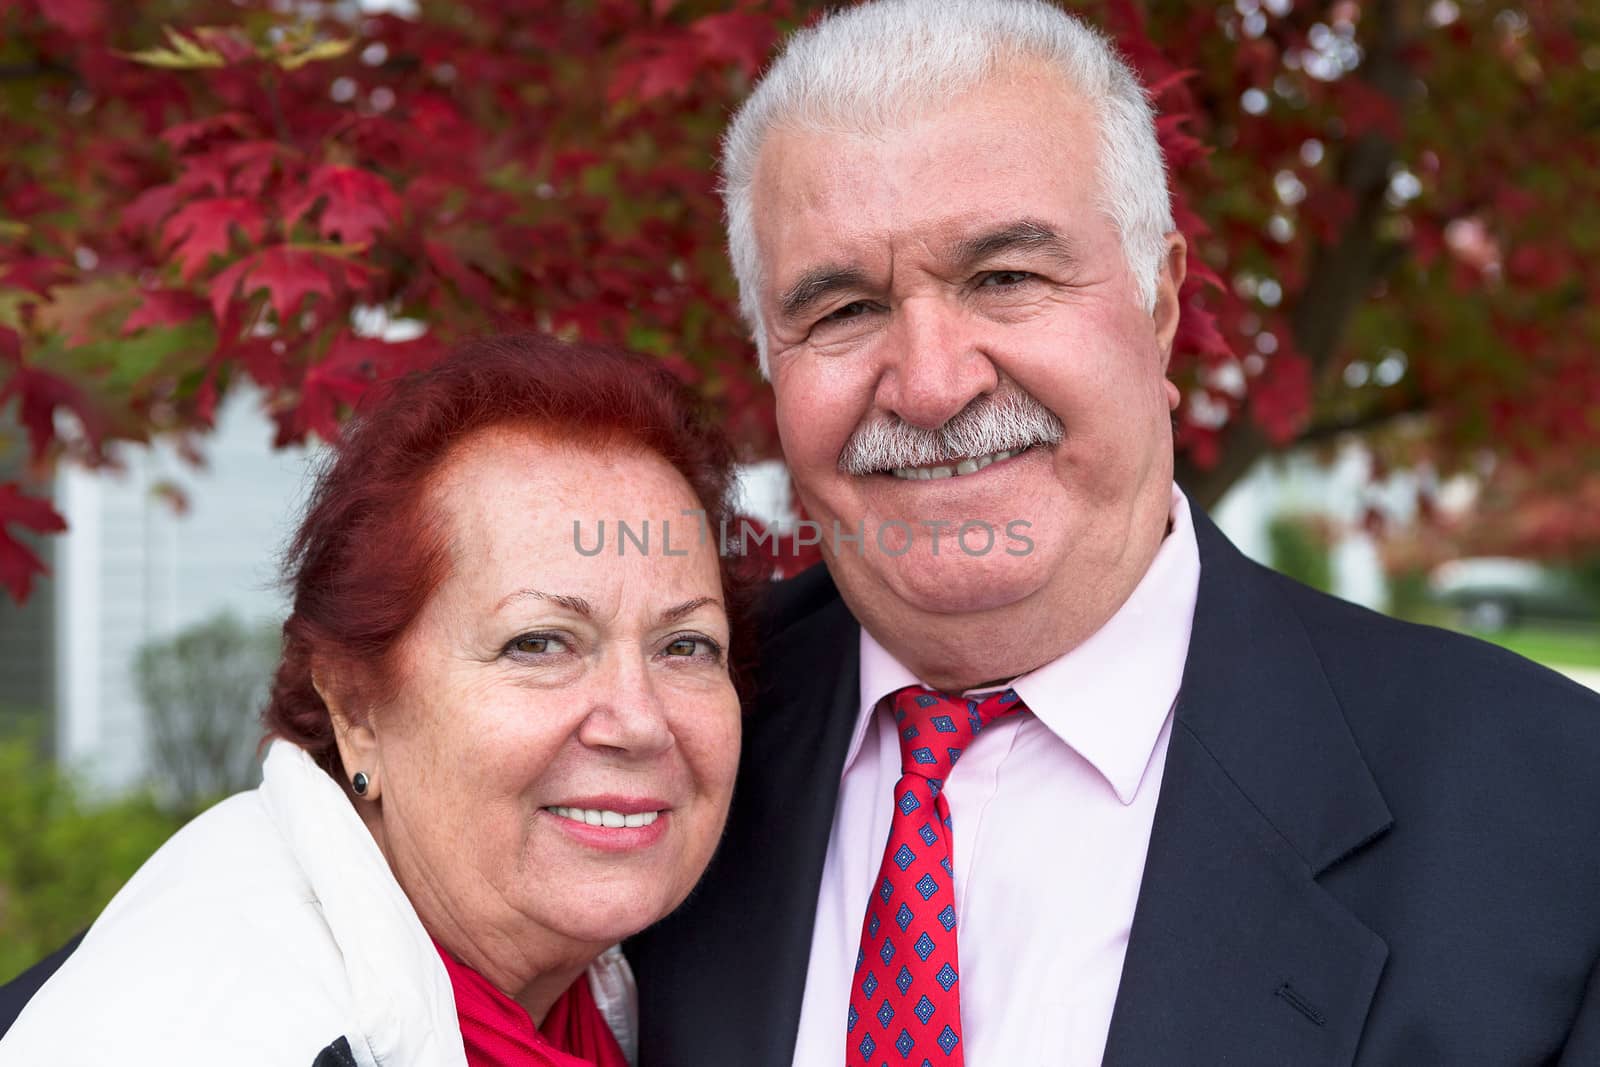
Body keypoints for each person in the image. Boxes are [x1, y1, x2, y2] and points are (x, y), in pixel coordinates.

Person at [623, 1, 1600, 1064]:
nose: (931, 384)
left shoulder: (1548, 810)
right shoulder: (643, 749)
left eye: (1004, 276)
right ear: (771, 359)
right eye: (842, 309)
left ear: (1162, 303)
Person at [0, 333, 755, 1066]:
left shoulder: (593, 997)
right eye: (539, 642)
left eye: (686, 645)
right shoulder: (235, 1031)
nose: (638, 719)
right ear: (357, 713)